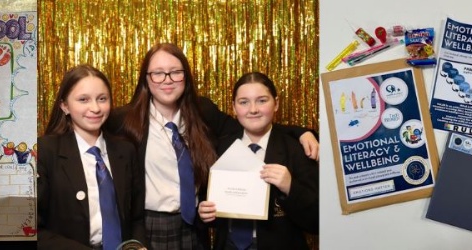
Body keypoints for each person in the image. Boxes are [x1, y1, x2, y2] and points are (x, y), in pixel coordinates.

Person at [104, 43, 318, 249]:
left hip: (195, 228)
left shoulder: (202, 111)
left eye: (175, 72)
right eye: (158, 73)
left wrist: (301, 133)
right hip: (151, 226)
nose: (167, 80)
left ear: (185, 76)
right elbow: (90, 125)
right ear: (146, 79)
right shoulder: (124, 120)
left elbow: (250, 124)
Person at [198, 72, 319, 250]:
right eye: (244, 102)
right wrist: (204, 212)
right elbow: (206, 198)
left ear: (276, 103)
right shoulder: (220, 148)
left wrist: (289, 187)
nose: (253, 109)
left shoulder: (297, 150)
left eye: (262, 101)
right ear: (233, 107)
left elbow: (316, 222)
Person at [37, 65, 146, 250]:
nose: (95, 108)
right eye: (83, 100)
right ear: (65, 106)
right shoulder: (45, 151)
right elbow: (34, 229)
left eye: (102, 99)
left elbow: (137, 217)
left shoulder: (125, 151)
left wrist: (137, 246)